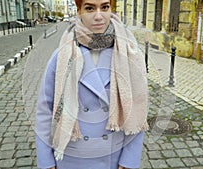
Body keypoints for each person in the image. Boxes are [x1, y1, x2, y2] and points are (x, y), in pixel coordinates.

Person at [35, 0, 149, 168]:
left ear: (111, 9)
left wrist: (130, 159)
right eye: (89, 8)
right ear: (79, 11)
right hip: (71, 155)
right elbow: (44, 111)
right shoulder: (61, 56)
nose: (98, 16)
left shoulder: (129, 53)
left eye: (104, 7)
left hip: (113, 157)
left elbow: (138, 107)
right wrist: (46, 161)